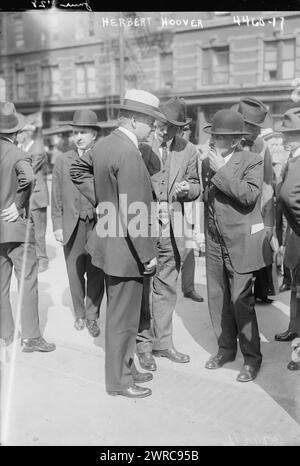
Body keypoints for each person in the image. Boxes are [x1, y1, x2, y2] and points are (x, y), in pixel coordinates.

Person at [70, 89, 164, 398]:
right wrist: (148, 255)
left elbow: (77, 169)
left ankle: (126, 366)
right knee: (124, 319)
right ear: (136, 120)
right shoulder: (129, 153)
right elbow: (136, 210)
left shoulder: (105, 145)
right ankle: (120, 381)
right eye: (151, 122)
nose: (154, 128)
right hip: (127, 251)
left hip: (109, 243)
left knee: (122, 315)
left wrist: (102, 200)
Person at [201, 109, 267, 382]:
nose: (216, 140)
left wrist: (222, 170)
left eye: (223, 137)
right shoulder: (208, 161)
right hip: (215, 241)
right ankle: (225, 349)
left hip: (240, 242)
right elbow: (207, 196)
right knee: (218, 300)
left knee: (241, 302)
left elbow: (249, 196)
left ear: (238, 139)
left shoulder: (252, 160)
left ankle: (252, 359)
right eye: (215, 135)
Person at [136, 97, 201, 372]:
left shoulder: (189, 150)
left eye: (171, 127)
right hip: (143, 225)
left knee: (166, 286)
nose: (163, 130)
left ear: (180, 129)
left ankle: (164, 343)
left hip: (173, 229)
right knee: (142, 287)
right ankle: (143, 345)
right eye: (161, 124)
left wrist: (188, 188)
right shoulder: (140, 147)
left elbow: (198, 186)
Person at [0, 101, 55, 352]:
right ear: (14, 132)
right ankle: (31, 337)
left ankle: (6, 335)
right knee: (28, 281)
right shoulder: (17, 154)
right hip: (18, 229)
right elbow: (29, 177)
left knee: (1, 287)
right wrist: (19, 204)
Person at [51, 110, 105, 338]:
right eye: (75, 132)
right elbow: (56, 197)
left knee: (96, 272)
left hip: (98, 225)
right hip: (72, 226)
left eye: (83, 132)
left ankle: (93, 316)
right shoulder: (63, 161)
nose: (78, 136)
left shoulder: (103, 158)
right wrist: (57, 225)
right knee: (74, 273)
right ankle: (80, 314)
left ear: (94, 134)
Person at [232, 97, 277, 304]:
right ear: (242, 124)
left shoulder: (262, 146)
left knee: (257, 260)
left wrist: (268, 223)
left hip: (256, 215)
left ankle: (254, 297)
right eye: (255, 127)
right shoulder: (225, 142)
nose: (259, 132)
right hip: (232, 218)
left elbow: (268, 184)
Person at [274, 109, 300, 352]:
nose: (284, 141)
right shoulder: (292, 160)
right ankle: (294, 327)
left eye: (290, 135)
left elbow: (288, 196)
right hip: (294, 236)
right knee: (296, 288)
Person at [17, 123, 50, 273]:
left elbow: (28, 170)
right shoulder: (23, 149)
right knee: (29, 229)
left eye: (19, 133)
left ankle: (42, 260)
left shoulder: (37, 150)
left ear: (26, 134)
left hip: (37, 196)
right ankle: (34, 258)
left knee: (39, 231)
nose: (17, 136)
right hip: (29, 196)